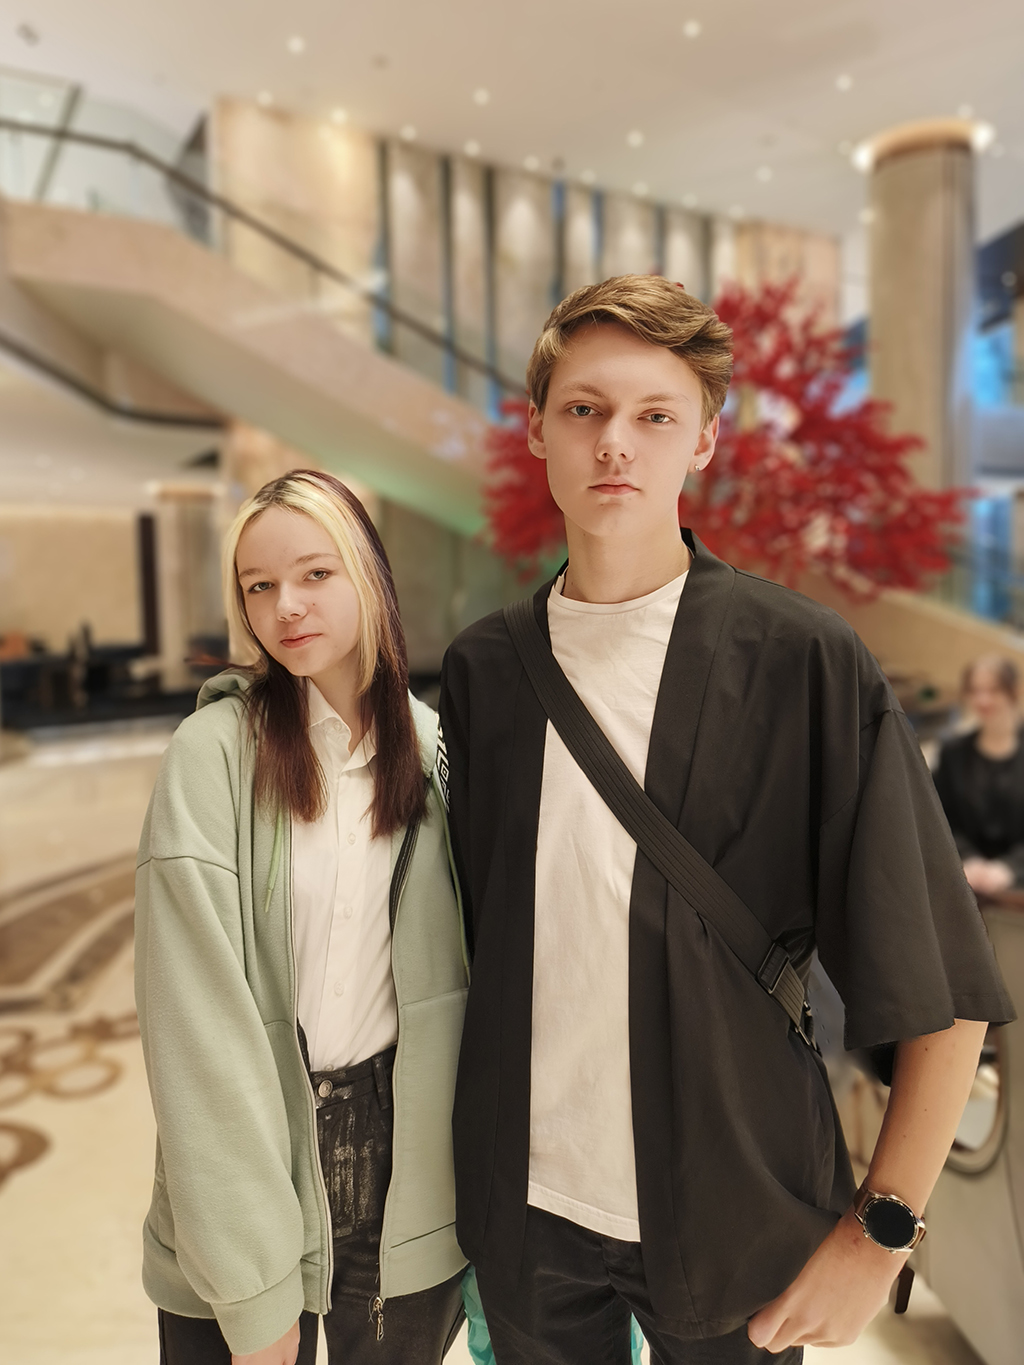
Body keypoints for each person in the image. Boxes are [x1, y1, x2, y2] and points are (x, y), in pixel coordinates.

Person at [438, 275, 1014, 1364]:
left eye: (656, 415)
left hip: (738, 1206)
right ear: (538, 430)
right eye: (585, 409)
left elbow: (941, 987)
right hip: (525, 1214)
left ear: (703, 440)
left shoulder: (801, 661)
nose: (617, 443)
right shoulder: (484, 671)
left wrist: (880, 1235)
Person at [135, 470, 469, 1365]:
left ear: (369, 575)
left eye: (315, 573)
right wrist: (251, 1283)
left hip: (406, 1178)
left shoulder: (437, 754)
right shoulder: (213, 755)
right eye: (259, 585)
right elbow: (196, 1031)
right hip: (245, 1161)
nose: (285, 606)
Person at [935, 655, 1024, 897]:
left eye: (993, 690)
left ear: (1014, 692)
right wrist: (967, 859)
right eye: (975, 691)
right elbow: (940, 816)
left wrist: (1011, 868)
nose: (983, 700)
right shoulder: (952, 752)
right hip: (962, 880)